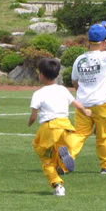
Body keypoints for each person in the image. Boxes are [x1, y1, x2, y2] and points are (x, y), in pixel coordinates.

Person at [66, 21, 106, 174]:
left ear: (88, 41)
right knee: (104, 136)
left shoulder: (79, 60)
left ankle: (67, 155)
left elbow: (75, 81)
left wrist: (82, 93)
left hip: (82, 102)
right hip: (101, 102)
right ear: (104, 42)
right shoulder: (104, 57)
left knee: (80, 133)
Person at [28, 58, 92, 197]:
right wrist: (86, 111)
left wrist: (29, 123)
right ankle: (63, 162)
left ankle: (58, 185)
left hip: (49, 128)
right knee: (67, 146)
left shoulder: (38, 93)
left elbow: (33, 116)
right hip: (65, 125)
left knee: (46, 160)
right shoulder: (63, 89)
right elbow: (77, 104)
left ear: (41, 75)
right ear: (57, 75)